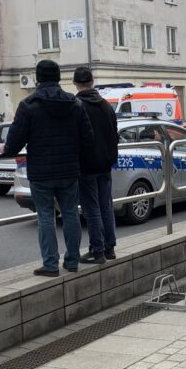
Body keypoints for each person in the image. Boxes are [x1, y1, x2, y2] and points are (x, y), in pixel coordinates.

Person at [1, 59, 94, 276]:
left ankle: (50, 264)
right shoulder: (75, 104)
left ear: (38, 78)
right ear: (59, 77)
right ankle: (72, 261)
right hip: (69, 170)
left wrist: (8, 147)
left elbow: (13, 144)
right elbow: (88, 139)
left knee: (45, 216)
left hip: (41, 172)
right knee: (71, 213)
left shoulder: (28, 105)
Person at [72, 67, 118, 264]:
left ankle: (97, 250)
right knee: (106, 206)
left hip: (86, 165)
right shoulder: (106, 106)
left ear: (75, 83)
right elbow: (114, 135)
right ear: (92, 82)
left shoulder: (76, 106)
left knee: (91, 209)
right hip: (106, 164)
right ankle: (110, 248)